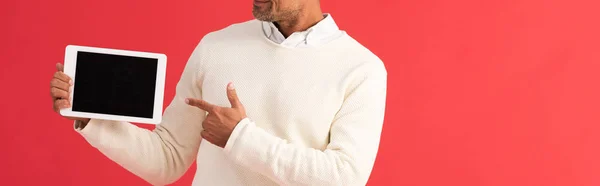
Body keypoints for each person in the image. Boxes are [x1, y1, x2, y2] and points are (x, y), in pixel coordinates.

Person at [49, 0, 388, 185]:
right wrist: (92, 117)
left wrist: (240, 137)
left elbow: (343, 178)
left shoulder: (361, 69)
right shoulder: (216, 47)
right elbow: (166, 160)